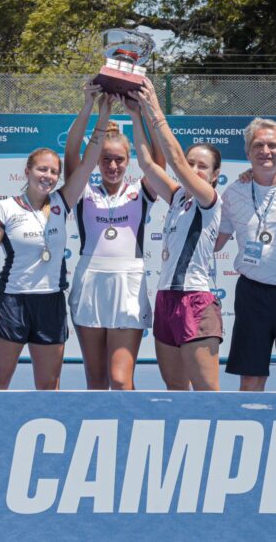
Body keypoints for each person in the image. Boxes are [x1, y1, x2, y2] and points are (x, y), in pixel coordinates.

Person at [0, 93, 114, 390]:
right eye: (41, 169)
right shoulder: (5, 208)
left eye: (53, 171)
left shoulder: (62, 201)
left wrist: (101, 112)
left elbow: (89, 161)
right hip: (11, 301)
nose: (48, 176)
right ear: (27, 171)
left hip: (51, 301)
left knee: (49, 385)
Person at [63, 81, 164, 390]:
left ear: (128, 160)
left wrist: (138, 116)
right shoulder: (83, 190)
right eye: (105, 158)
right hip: (90, 282)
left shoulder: (139, 191)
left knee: (121, 380)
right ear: (96, 161)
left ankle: (124, 435)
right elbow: (71, 150)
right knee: (96, 381)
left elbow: (159, 163)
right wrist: (93, 110)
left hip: (128, 285)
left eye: (119, 159)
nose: (112, 165)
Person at [128, 79, 223, 391]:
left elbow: (176, 162)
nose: (194, 169)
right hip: (166, 299)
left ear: (214, 176)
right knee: (176, 392)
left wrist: (153, 106)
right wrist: (134, 114)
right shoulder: (177, 197)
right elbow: (145, 162)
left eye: (202, 166)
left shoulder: (209, 200)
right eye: (192, 163)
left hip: (195, 299)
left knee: (208, 394)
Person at [215, 118, 276, 392]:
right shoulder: (233, 192)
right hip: (252, 295)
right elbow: (216, 241)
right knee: (250, 380)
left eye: (273, 145)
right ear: (248, 153)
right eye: (258, 145)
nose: (265, 151)